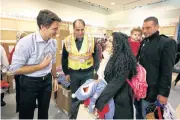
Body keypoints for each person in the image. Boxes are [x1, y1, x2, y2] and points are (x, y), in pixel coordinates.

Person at [10, 9, 61, 119]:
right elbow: (15, 69)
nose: (58, 32)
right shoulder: (25, 43)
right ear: (43, 27)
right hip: (29, 83)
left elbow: (52, 61)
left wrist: (55, 77)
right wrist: (40, 66)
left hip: (47, 81)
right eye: (55, 29)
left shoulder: (53, 42)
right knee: (26, 114)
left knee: (44, 113)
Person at [137, 16, 176, 118]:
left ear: (157, 27)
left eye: (148, 28)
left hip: (153, 92)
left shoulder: (167, 43)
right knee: (139, 114)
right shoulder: (144, 42)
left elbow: (167, 70)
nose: (145, 31)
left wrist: (163, 93)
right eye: (143, 28)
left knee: (149, 116)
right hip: (140, 89)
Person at [62, 19, 100, 119]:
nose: (80, 32)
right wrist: (66, 73)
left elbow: (96, 55)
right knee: (75, 95)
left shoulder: (92, 39)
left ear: (85, 28)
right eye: (77, 30)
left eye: (82, 29)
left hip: (88, 72)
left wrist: (96, 70)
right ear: (73, 29)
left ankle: (83, 116)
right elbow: (64, 57)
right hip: (74, 73)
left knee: (86, 95)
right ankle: (74, 117)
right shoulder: (67, 40)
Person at [95, 32, 137, 119]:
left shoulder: (124, 61)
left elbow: (115, 84)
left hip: (120, 102)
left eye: (110, 41)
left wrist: (99, 102)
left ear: (118, 43)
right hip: (113, 98)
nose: (106, 43)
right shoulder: (115, 56)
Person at [8, 32, 28, 112]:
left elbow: (10, 58)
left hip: (18, 73)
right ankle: (21, 107)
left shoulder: (16, 47)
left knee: (19, 90)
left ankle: (19, 107)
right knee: (22, 91)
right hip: (21, 73)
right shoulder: (21, 47)